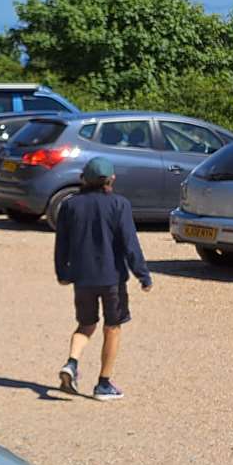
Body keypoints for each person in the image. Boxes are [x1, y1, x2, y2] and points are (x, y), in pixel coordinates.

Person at [55, 157, 152, 400]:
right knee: (113, 327)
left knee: (86, 325)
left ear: (83, 179)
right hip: (112, 278)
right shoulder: (120, 204)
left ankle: (72, 363)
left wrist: (63, 273)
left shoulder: (70, 205)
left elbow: (61, 243)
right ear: (111, 179)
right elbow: (130, 243)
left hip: (82, 277)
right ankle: (103, 384)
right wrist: (142, 274)